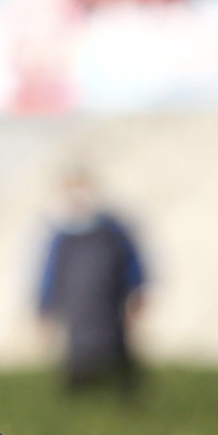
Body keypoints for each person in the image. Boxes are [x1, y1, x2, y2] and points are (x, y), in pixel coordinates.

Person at [35, 168, 148, 393]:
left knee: (117, 351)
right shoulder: (61, 238)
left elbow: (133, 264)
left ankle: (125, 393)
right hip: (76, 310)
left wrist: (138, 292)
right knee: (77, 354)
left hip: (111, 306)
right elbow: (49, 275)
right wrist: (44, 306)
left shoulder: (113, 231)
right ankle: (79, 393)